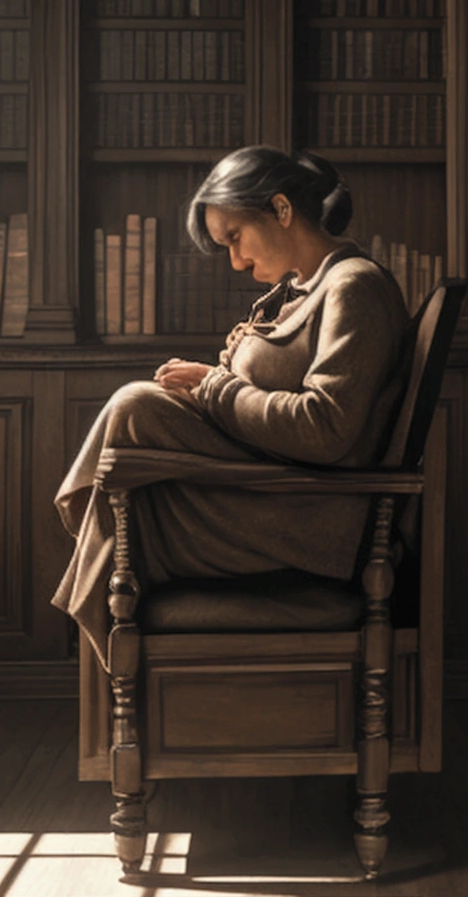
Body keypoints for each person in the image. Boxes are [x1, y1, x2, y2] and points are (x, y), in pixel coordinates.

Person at [52, 146, 410, 670]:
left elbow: (326, 428)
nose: (236, 261)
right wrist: (206, 387)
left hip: (308, 518)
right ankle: (124, 707)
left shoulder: (354, 287)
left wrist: (213, 388)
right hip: (264, 490)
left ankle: (121, 714)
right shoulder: (305, 286)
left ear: (282, 210)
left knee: (125, 494)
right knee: (136, 418)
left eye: (235, 238)